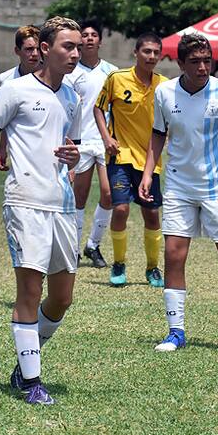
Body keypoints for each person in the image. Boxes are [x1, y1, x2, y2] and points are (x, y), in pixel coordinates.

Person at [140, 33, 218, 351]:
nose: (202, 67)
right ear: (180, 63)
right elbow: (157, 134)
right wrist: (147, 172)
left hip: (217, 187)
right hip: (179, 185)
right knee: (173, 255)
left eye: (207, 60)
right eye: (194, 61)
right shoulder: (165, 93)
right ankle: (176, 331)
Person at [0, 16, 83, 405]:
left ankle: (27, 358)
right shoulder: (14, 91)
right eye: (67, 46)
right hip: (25, 201)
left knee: (62, 297)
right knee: (30, 290)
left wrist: (74, 155)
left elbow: (66, 147)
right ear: (44, 49)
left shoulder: (73, 96)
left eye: (78, 46)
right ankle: (30, 381)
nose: (75, 53)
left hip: (61, 205)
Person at [95, 32, 168, 288]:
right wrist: (106, 138)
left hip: (150, 160)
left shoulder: (165, 85)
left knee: (151, 215)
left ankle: (152, 268)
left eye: (156, 52)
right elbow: (98, 107)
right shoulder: (116, 78)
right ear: (135, 53)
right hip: (120, 156)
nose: (151, 56)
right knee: (121, 208)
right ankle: (119, 263)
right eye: (146, 51)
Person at [66, 19, 118, 268]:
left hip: (106, 142)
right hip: (81, 142)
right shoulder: (70, 72)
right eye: (84, 35)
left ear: (100, 40)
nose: (88, 38)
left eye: (92, 35)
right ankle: (74, 249)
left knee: (109, 194)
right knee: (79, 197)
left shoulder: (112, 71)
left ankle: (93, 245)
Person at [0, 24, 42, 172]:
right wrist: (2, 148)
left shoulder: (55, 77)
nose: (34, 54)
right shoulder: (6, 80)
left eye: (38, 49)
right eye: (29, 49)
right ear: (17, 51)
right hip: (21, 148)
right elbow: (5, 117)